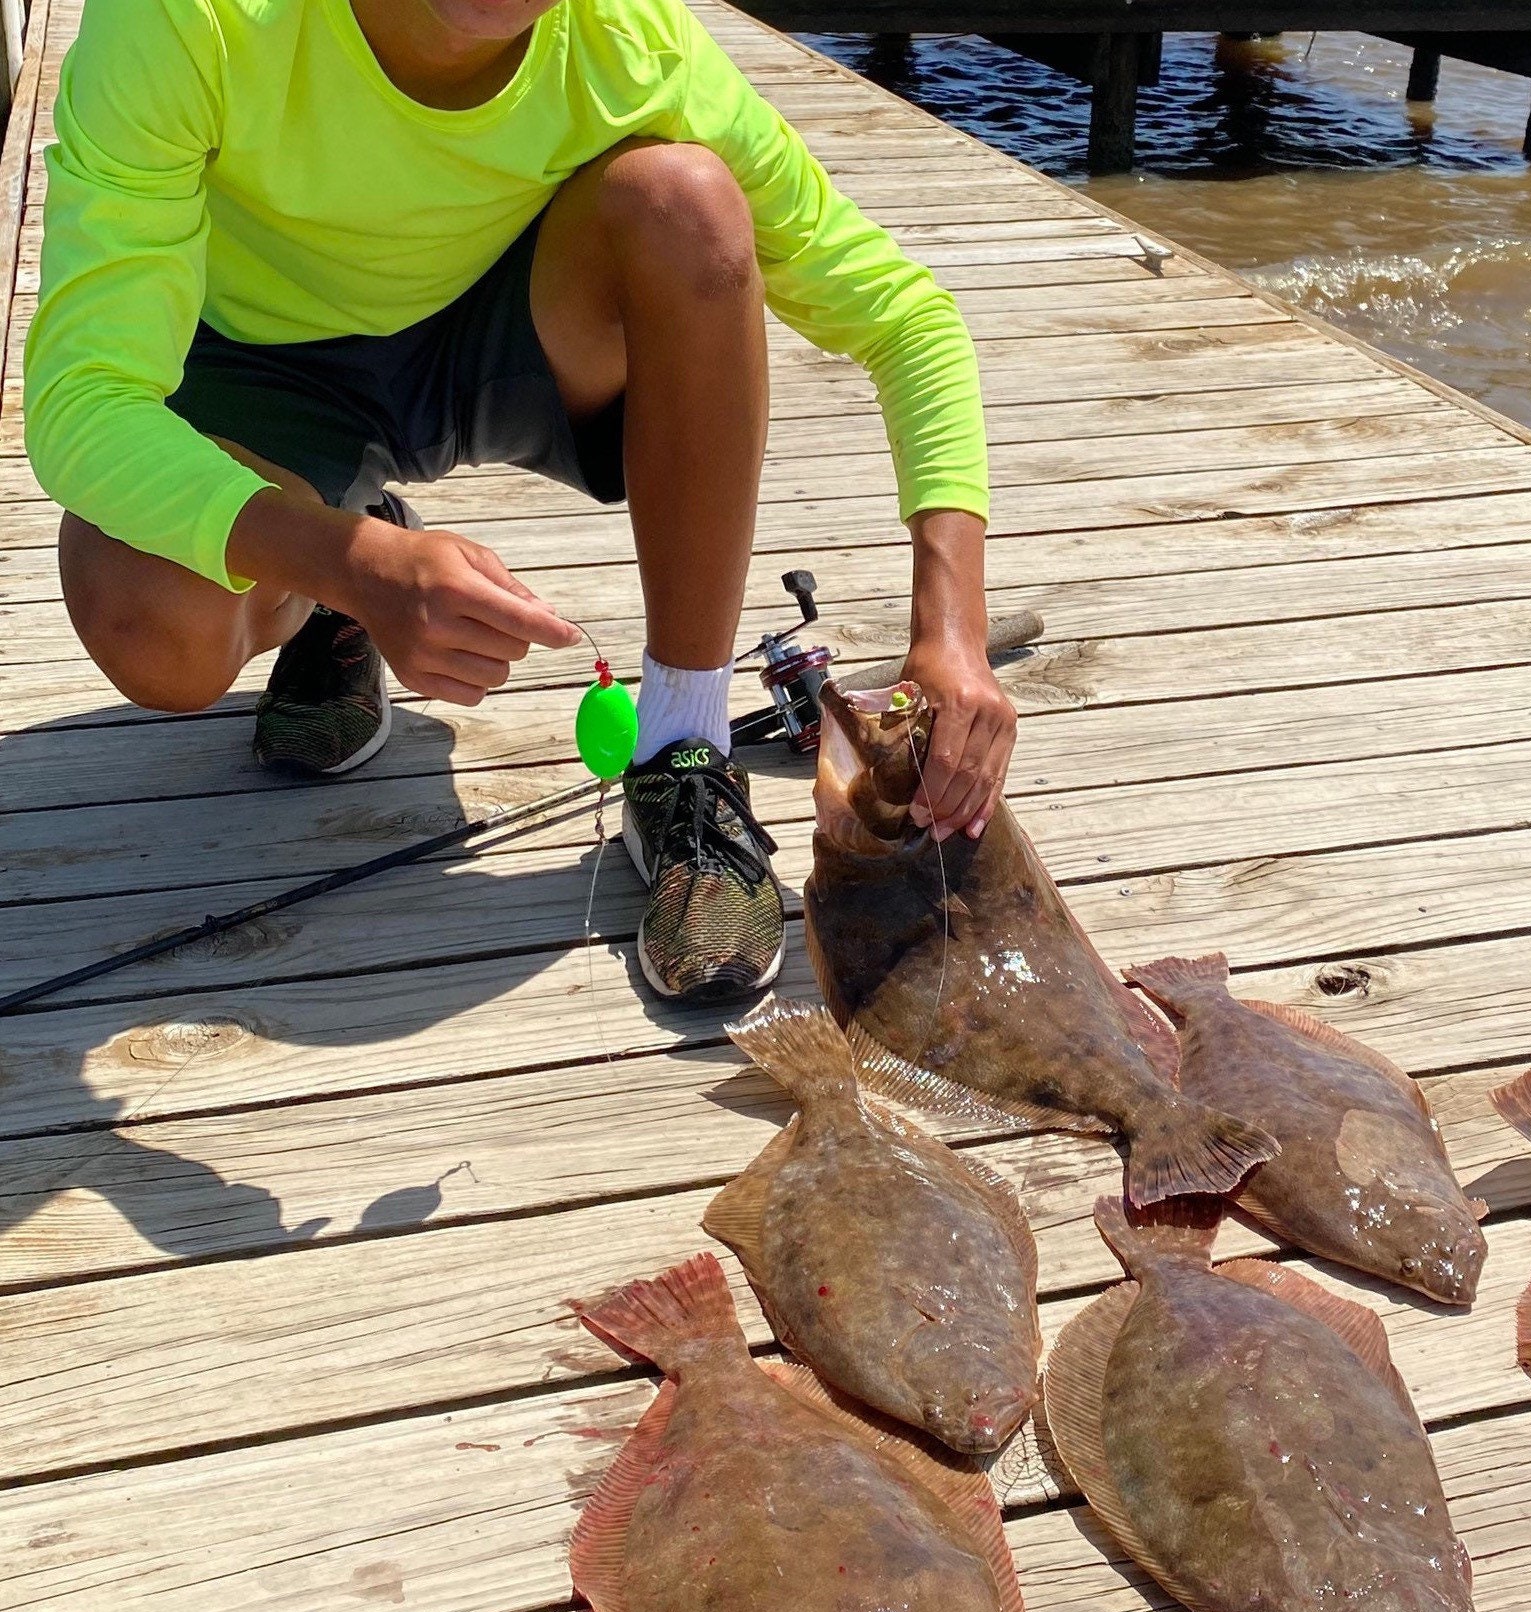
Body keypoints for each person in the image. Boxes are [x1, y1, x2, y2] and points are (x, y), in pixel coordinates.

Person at [23, 0, 1018, 1001]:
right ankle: (335, 575)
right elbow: (81, 405)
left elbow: (906, 318)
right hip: (258, 364)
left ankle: (682, 746)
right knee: (148, 623)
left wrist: (952, 634)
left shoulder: (630, 40)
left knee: (686, 201)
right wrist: (348, 565)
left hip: (502, 336)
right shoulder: (184, 19)